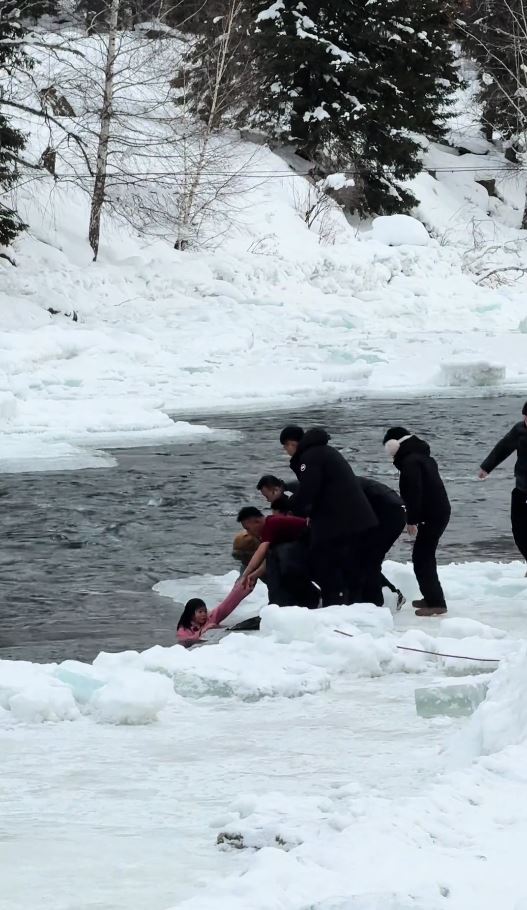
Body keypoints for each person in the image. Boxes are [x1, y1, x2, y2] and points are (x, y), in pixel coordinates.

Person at [279, 425, 377, 606]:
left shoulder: (310, 457)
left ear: (292, 443)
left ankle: (336, 603)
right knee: (350, 562)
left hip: (339, 521)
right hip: (352, 518)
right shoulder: (324, 452)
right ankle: (358, 601)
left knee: (326, 560)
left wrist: (291, 506)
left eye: (286, 447)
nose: (287, 452)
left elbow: (310, 490)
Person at [383, 427, 451, 617]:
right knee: (423, 556)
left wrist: (411, 520)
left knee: (422, 558)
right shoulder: (422, 457)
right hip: (437, 512)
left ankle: (436, 602)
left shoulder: (410, 463)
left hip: (432, 515)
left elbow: (414, 493)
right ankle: (431, 597)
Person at [237, 506, 320, 608]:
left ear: (257, 521)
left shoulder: (271, 524)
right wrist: (255, 574)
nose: (248, 533)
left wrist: (245, 575)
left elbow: (261, 551)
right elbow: (268, 559)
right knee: (274, 560)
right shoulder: (270, 529)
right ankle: (279, 603)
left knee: (281, 565)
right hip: (301, 552)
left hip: (313, 549)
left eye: (248, 528)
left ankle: (293, 601)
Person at [478, 401, 527, 564]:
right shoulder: (520, 429)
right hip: (521, 487)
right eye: (526, 418)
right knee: (518, 530)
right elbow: (504, 446)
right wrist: (487, 467)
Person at [357, 476, 406, 608]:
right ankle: (383, 596)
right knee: (367, 558)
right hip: (393, 510)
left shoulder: (337, 487)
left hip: (388, 514)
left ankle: (374, 604)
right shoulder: (342, 481)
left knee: (369, 559)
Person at [176, 583, 248, 645]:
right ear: (191, 614)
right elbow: (185, 642)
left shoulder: (210, 619)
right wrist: (203, 631)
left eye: (205, 611)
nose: (204, 614)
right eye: (200, 612)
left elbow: (226, 605)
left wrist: (242, 590)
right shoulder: (183, 630)